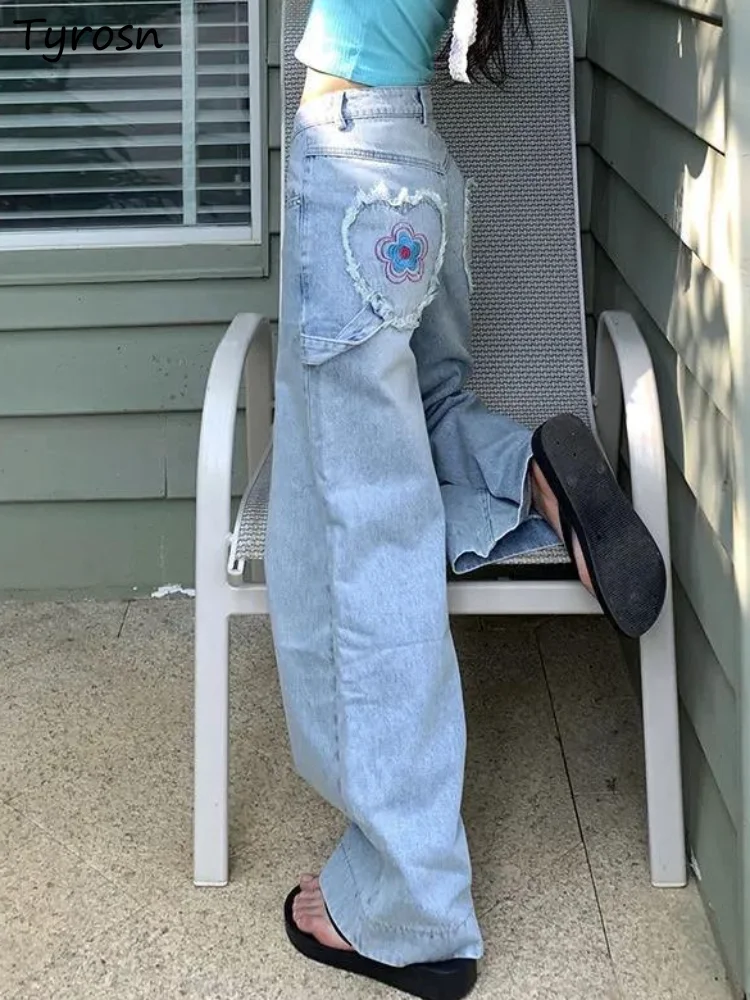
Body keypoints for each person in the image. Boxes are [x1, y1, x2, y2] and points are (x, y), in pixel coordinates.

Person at [264, 1, 667, 998]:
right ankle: (534, 468)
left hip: (355, 163)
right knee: (428, 406)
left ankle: (411, 913)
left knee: (366, 543)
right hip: (413, 163)